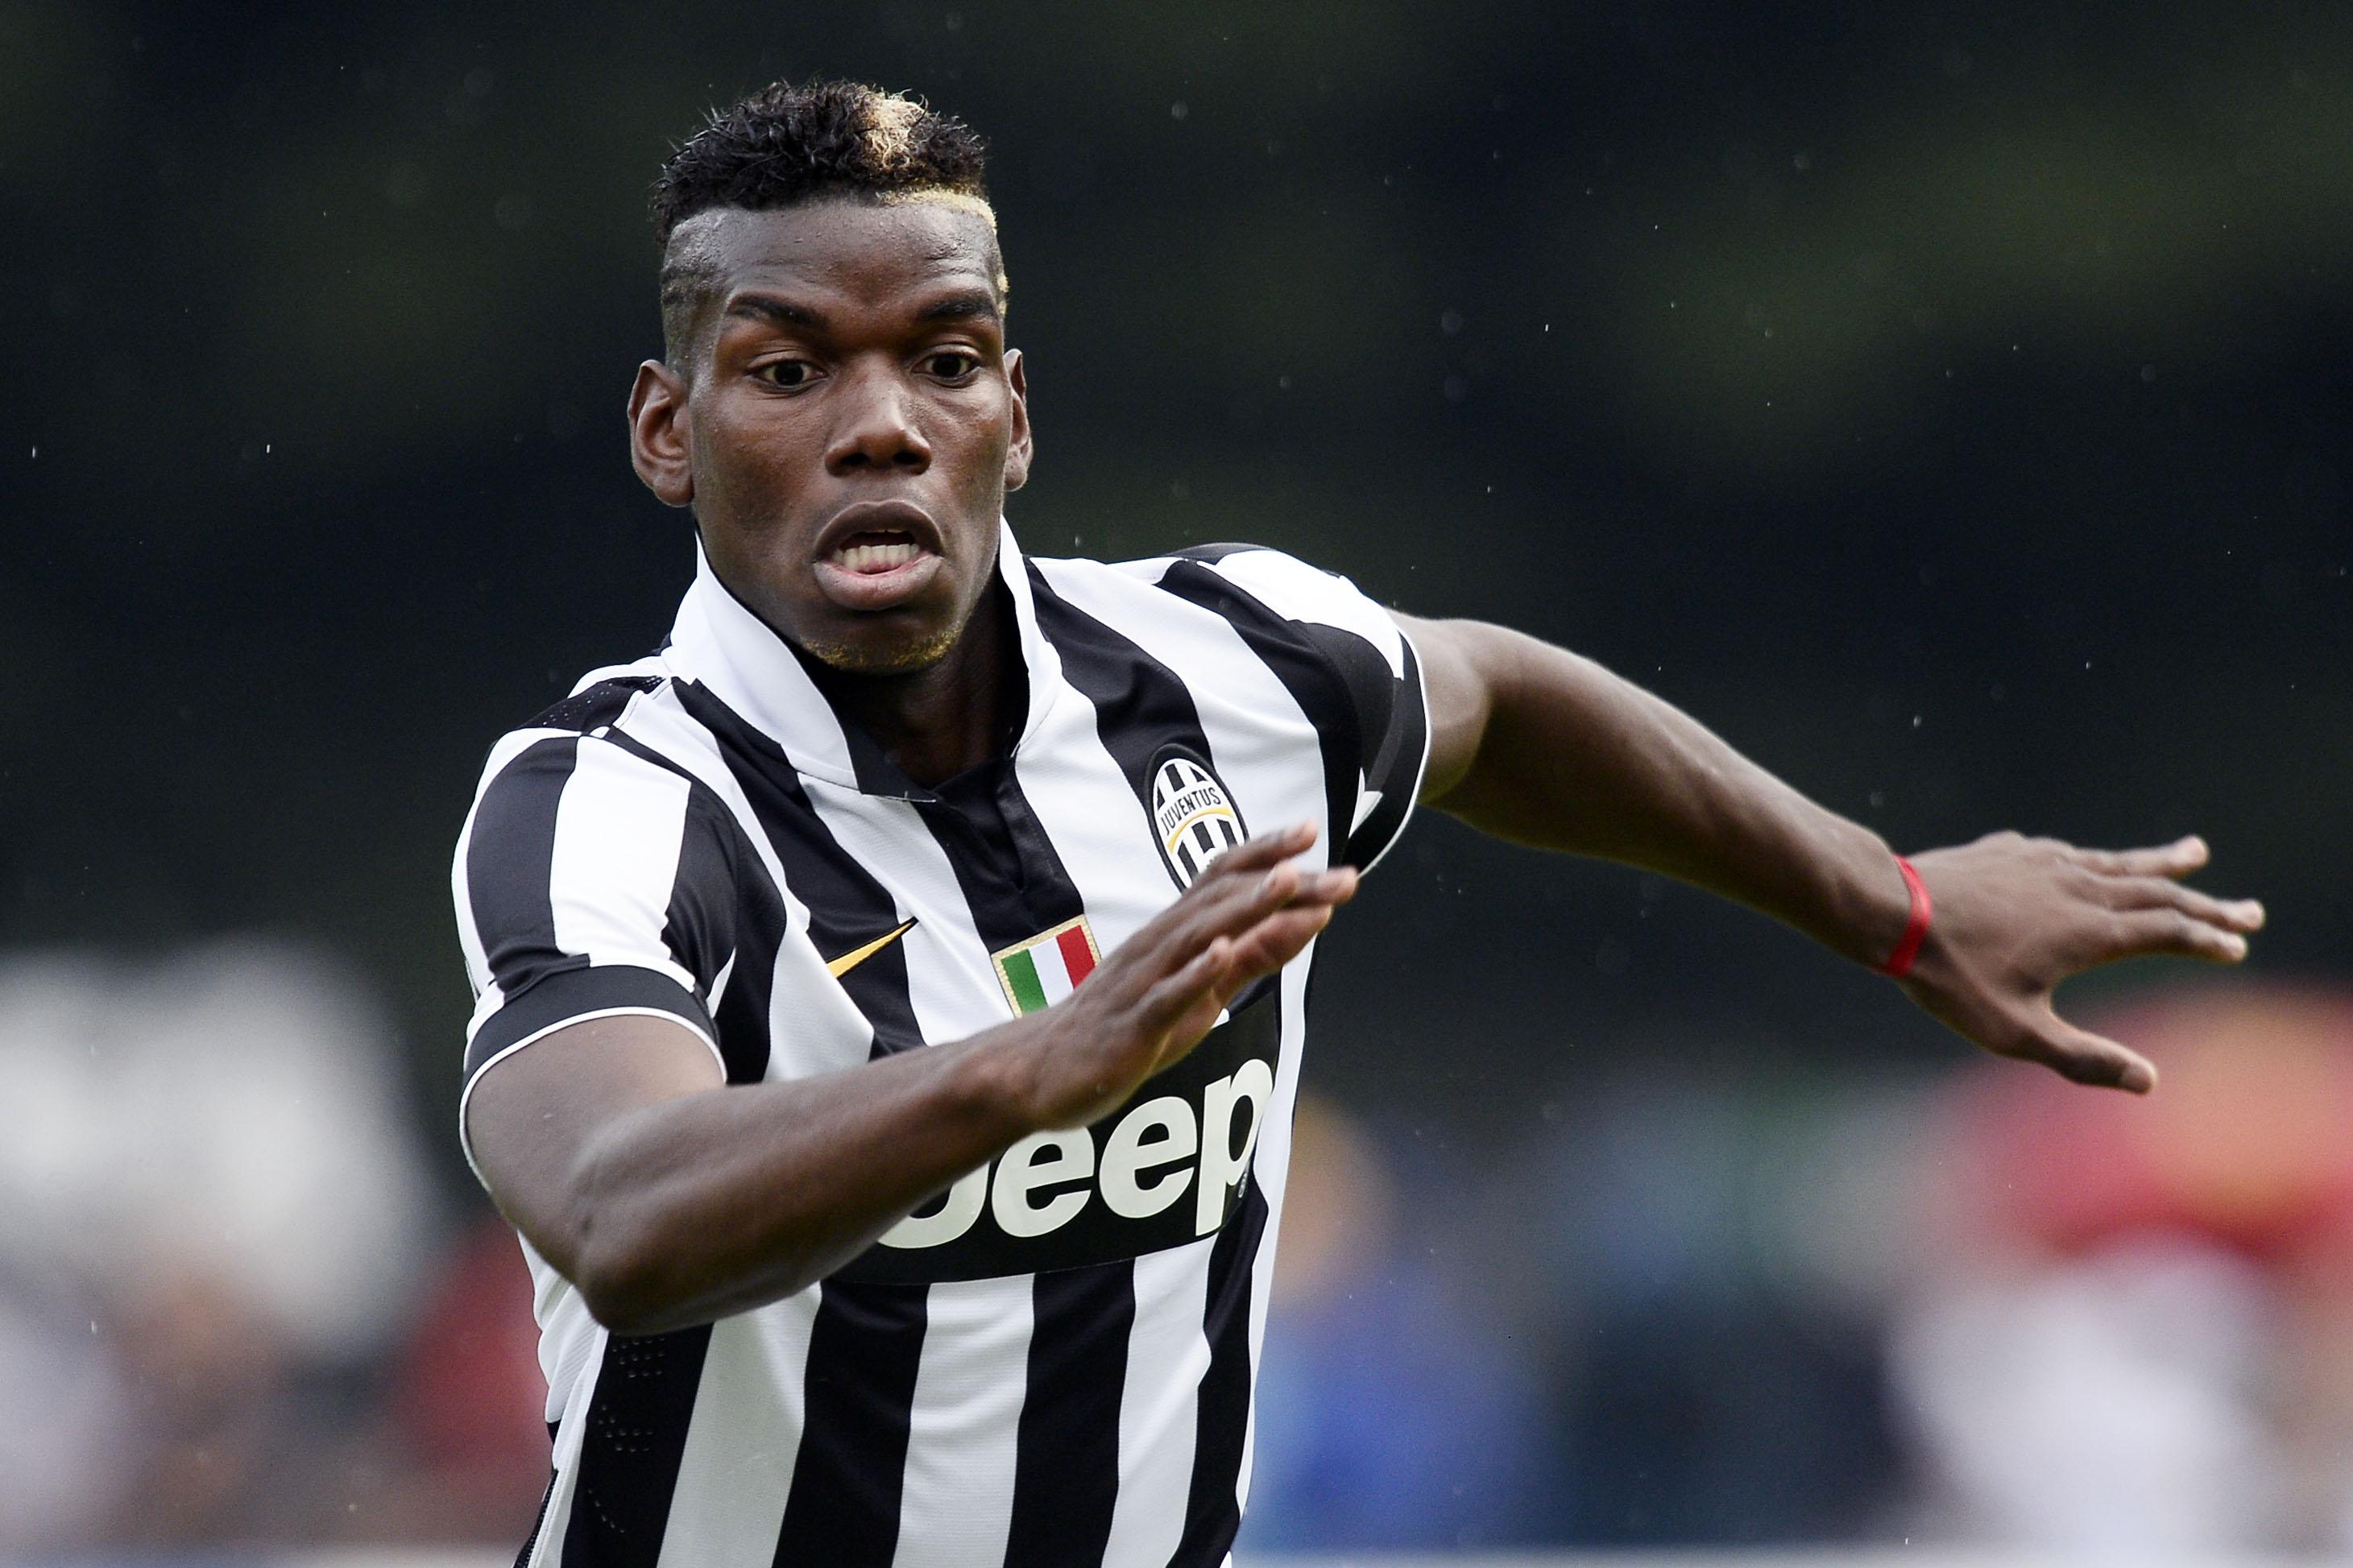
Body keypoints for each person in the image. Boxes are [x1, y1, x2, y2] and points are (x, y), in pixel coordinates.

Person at [452, 78, 2264, 1567]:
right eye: (789, 372)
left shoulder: (1236, 671)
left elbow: (1501, 701)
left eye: (945, 357)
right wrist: (1018, 1073)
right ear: (667, 432)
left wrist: (1894, 905)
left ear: (1016, 412)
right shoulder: (612, 804)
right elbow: (621, 1211)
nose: (881, 427)